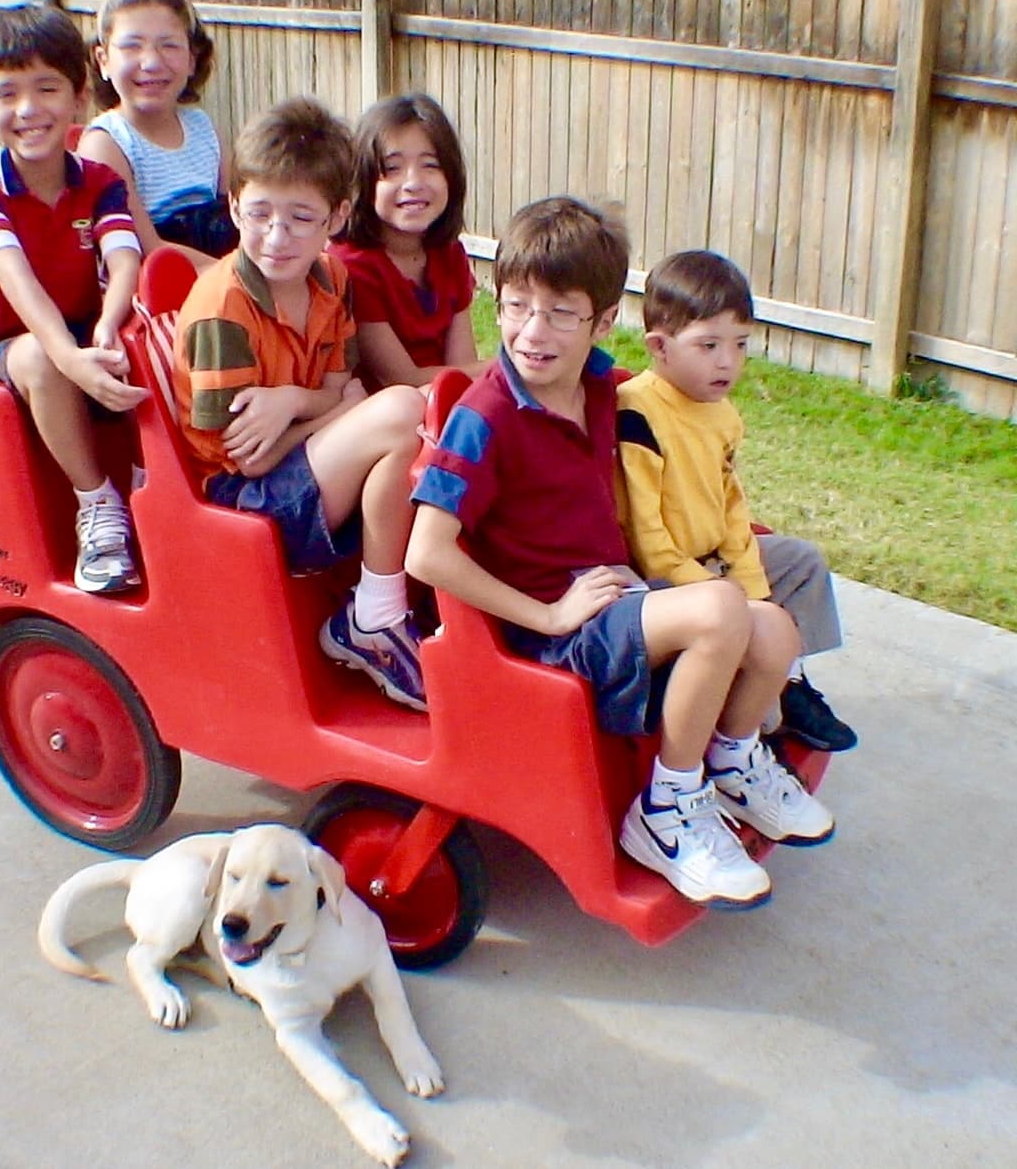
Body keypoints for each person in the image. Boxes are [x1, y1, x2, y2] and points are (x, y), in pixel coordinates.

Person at [406, 197, 835, 909]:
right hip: (556, 633)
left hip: (618, 601)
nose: (532, 332)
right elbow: (427, 553)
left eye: (561, 313)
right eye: (516, 307)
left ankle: (732, 760)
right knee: (721, 611)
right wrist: (547, 616)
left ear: (603, 322)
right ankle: (666, 809)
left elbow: (682, 420)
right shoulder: (486, 416)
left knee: (775, 629)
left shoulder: (603, 389)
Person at [173, 96, 429, 709]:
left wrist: (294, 400)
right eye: (259, 213)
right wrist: (337, 409)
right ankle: (372, 621)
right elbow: (250, 459)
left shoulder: (331, 278)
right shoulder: (223, 311)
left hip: (295, 464)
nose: (276, 236)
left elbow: (338, 384)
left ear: (335, 218)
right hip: (241, 502)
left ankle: (386, 604)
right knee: (402, 409)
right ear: (234, 205)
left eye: (300, 217)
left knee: (416, 418)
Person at [615, 249, 857, 752]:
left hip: (712, 560)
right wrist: (728, 597)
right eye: (708, 345)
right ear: (659, 347)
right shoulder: (637, 412)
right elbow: (645, 535)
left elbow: (730, 505)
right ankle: (748, 724)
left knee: (802, 562)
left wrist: (752, 586)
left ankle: (787, 683)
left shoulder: (721, 413)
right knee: (746, 620)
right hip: (661, 579)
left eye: (740, 344)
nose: (728, 361)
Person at [0, 3, 148, 594]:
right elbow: (15, 279)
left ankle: (151, 485)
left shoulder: (99, 181)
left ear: (79, 98)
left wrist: (109, 324)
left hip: (80, 325)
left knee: (143, 338)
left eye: (47, 88)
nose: (29, 109)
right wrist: (70, 357)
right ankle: (98, 505)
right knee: (42, 356)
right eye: (8, 94)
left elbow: (124, 257)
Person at [328, 93, 487, 391]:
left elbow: (462, 370)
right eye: (392, 168)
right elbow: (400, 379)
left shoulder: (450, 253)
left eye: (430, 165)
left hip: (438, 401)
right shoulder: (352, 266)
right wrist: (509, 368)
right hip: (384, 408)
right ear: (363, 180)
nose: (413, 183)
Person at [79, 0, 236, 273]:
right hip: (161, 284)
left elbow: (242, 212)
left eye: (169, 45)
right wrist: (236, 278)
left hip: (222, 269)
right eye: (131, 46)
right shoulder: (106, 143)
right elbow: (148, 248)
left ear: (192, 60)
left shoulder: (203, 129)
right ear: (103, 60)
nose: (151, 62)